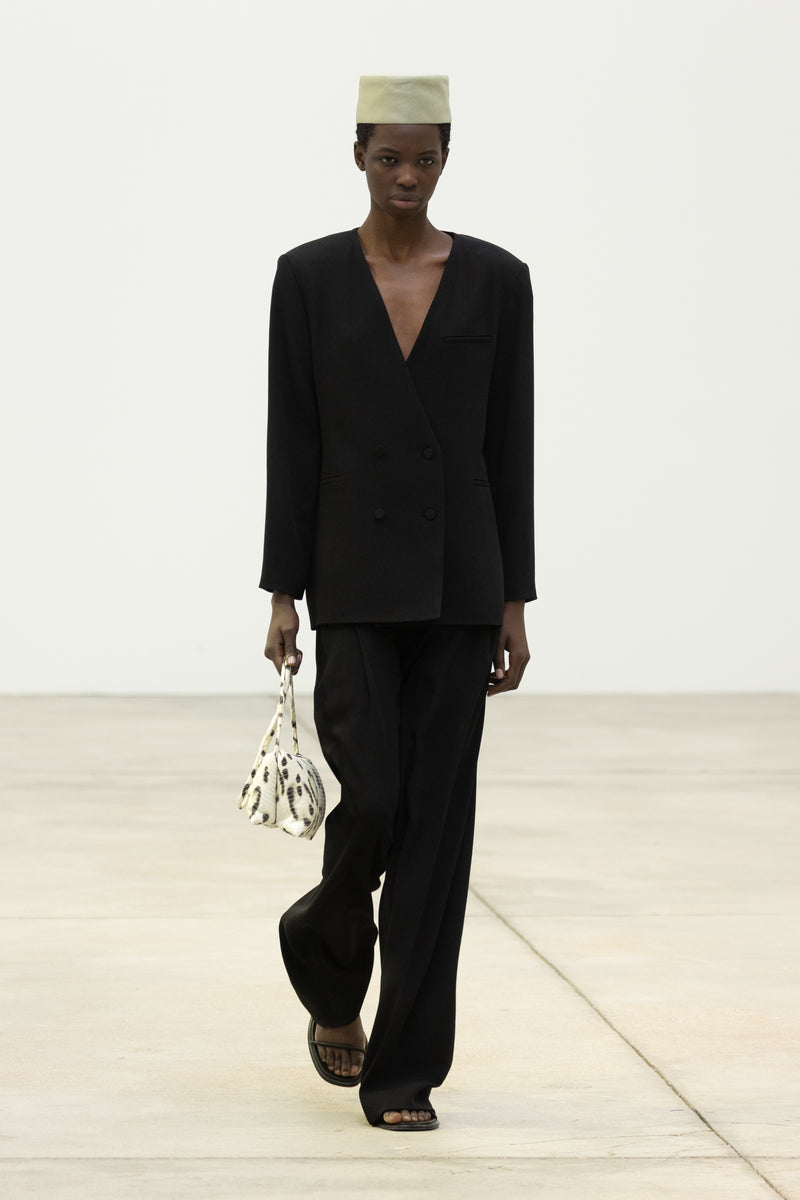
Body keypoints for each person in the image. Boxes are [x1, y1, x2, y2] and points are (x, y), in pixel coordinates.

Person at [260, 74, 535, 1132]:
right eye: (389, 157)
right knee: (371, 797)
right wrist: (283, 591)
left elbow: (507, 446)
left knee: (436, 832)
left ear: (446, 158)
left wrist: (514, 599)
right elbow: (293, 439)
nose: (406, 175)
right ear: (358, 156)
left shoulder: (498, 281)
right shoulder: (307, 277)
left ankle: (404, 1072)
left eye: (424, 158)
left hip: (462, 584)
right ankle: (325, 957)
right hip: (353, 580)